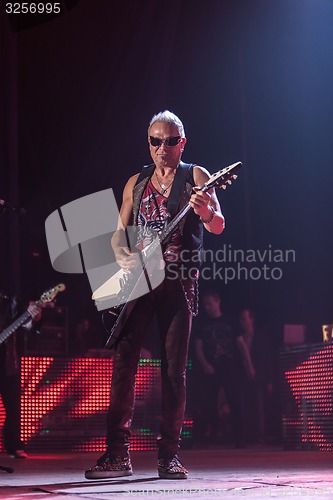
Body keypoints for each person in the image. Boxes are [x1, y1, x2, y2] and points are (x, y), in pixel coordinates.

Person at [85, 110, 225, 480]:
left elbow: (219, 225)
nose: (162, 148)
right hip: (139, 284)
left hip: (179, 284)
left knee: (174, 372)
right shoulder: (136, 181)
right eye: (155, 141)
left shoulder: (196, 176)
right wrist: (122, 256)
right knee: (123, 368)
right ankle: (117, 456)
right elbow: (119, 233)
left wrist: (206, 210)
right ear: (148, 142)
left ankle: (169, 456)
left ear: (183, 142)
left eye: (170, 141)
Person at [193, 290, 255, 448]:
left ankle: (239, 438)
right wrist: (205, 364)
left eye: (210, 303)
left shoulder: (231, 322)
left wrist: (250, 366)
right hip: (211, 369)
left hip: (230, 368)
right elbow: (198, 347)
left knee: (235, 402)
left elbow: (241, 346)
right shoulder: (202, 324)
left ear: (217, 301)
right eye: (205, 304)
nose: (207, 307)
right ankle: (213, 435)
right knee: (210, 403)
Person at [0, 290, 41, 458]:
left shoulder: (10, 302)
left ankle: (14, 445)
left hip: (8, 362)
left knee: (13, 406)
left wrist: (34, 317)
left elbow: (27, 327)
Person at [239, 307, 274, 443]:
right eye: (241, 319)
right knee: (245, 406)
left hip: (259, 377)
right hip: (243, 377)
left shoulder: (261, 338)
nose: (242, 322)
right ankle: (247, 434)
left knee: (259, 407)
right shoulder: (239, 338)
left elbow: (267, 359)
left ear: (251, 320)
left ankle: (260, 435)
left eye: (244, 319)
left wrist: (270, 380)